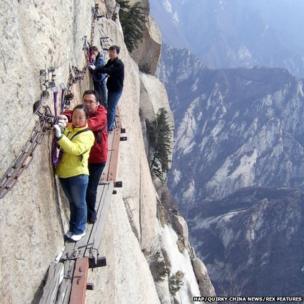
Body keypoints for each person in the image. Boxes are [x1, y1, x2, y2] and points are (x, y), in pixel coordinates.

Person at [59, 90, 108, 224]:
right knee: (82, 191)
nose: (87, 104)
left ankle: (91, 215)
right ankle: (83, 216)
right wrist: (65, 115)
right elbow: (72, 113)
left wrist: (69, 122)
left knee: (91, 189)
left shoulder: (101, 115)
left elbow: (87, 124)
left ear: (97, 103)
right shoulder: (83, 113)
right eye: (85, 101)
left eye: (90, 102)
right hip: (83, 159)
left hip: (97, 159)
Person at [54, 105, 95, 242]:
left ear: (86, 118)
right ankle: (73, 229)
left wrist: (60, 136)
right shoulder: (71, 128)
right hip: (65, 173)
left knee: (79, 203)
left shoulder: (88, 135)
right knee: (73, 203)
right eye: (75, 116)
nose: (77, 120)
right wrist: (63, 127)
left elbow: (75, 149)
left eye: (80, 117)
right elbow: (67, 134)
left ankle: (79, 230)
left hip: (78, 174)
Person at [89, 45, 124, 131]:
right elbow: (105, 67)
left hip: (116, 90)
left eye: (113, 52)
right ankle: (108, 125)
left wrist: (96, 69)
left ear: (117, 53)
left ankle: (108, 128)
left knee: (111, 109)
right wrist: (96, 69)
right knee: (109, 107)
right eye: (110, 51)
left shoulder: (119, 64)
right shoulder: (110, 61)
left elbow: (109, 70)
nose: (111, 53)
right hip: (112, 88)